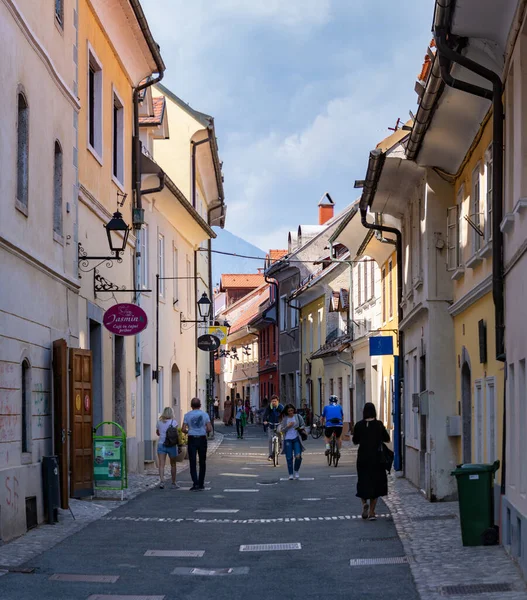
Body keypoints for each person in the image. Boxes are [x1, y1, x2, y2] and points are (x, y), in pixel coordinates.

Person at [352, 402, 390, 520]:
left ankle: (364, 504)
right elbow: (387, 439)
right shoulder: (378, 425)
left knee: (363, 481)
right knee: (376, 483)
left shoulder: (359, 425)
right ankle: (372, 512)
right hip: (377, 458)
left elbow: (355, 441)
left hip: (363, 457)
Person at [182, 398, 212, 491]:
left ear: (191, 406)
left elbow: (183, 429)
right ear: (200, 405)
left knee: (192, 461)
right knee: (202, 462)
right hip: (202, 438)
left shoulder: (187, 415)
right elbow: (209, 428)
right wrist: (203, 431)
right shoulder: (205, 414)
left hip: (192, 438)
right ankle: (201, 484)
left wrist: (189, 431)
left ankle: (195, 483)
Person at [279, 404, 306, 480]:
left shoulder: (297, 416)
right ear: (287, 412)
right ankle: (290, 474)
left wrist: (298, 428)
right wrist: (288, 426)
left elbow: (303, 425)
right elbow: (282, 430)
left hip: (296, 438)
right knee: (289, 457)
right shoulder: (285, 419)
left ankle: (296, 470)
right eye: (289, 411)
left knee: (298, 456)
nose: (291, 412)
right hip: (288, 439)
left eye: (292, 410)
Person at [156, 407, 179, 489]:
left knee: (161, 464)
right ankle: (173, 483)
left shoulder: (159, 422)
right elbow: (176, 434)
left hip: (161, 444)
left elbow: (158, 433)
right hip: (171, 445)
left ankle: (162, 482)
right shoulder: (174, 422)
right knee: (173, 464)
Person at [263, 395, 284, 460]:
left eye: (275, 401)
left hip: (279, 423)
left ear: (278, 401)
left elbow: (285, 415)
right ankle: (270, 455)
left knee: (278, 431)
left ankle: (280, 443)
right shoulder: (269, 407)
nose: (273, 402)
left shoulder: (280, 407)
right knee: (270, 440)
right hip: (271, 424)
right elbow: (265, 414)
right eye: (272, 401)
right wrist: (265, 421)